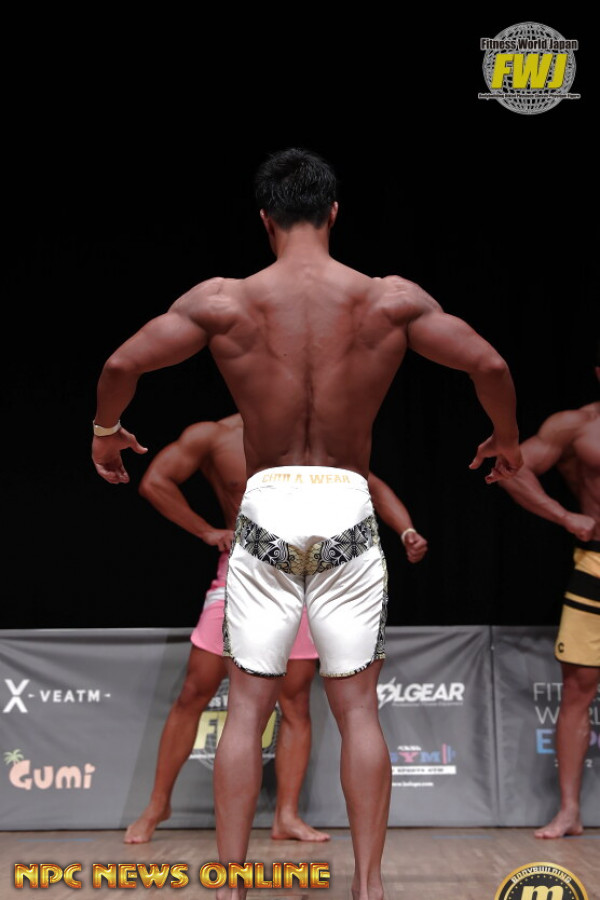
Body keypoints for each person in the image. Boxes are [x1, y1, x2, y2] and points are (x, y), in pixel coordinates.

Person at [91, 147, 521, 900]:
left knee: (246, 707)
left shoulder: (225, 301)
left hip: (265, 507)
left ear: (264, 219)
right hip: (347, 503)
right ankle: (370, 887)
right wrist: (507, 439)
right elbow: (489, 365)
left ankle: (232, 887)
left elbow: (122, 364)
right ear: (334, 212)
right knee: (357, 710)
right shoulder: (388, 300)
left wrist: (105, 432)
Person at [124, 411, 428, 845]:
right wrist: (205, 530)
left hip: (316, 571)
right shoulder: (215, 435)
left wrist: (406, 529)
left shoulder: (313, 438)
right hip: (248, 571)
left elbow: (370, 484)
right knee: (195, 689)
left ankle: (286, 815)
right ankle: (157, 806)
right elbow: (155, 481)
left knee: (295, 700)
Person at [499, 358, 599, 840]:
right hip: (595, 566)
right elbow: (510, 468)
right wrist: (562, 515)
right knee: (578, 689)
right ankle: (569, 811)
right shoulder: (576, 426)